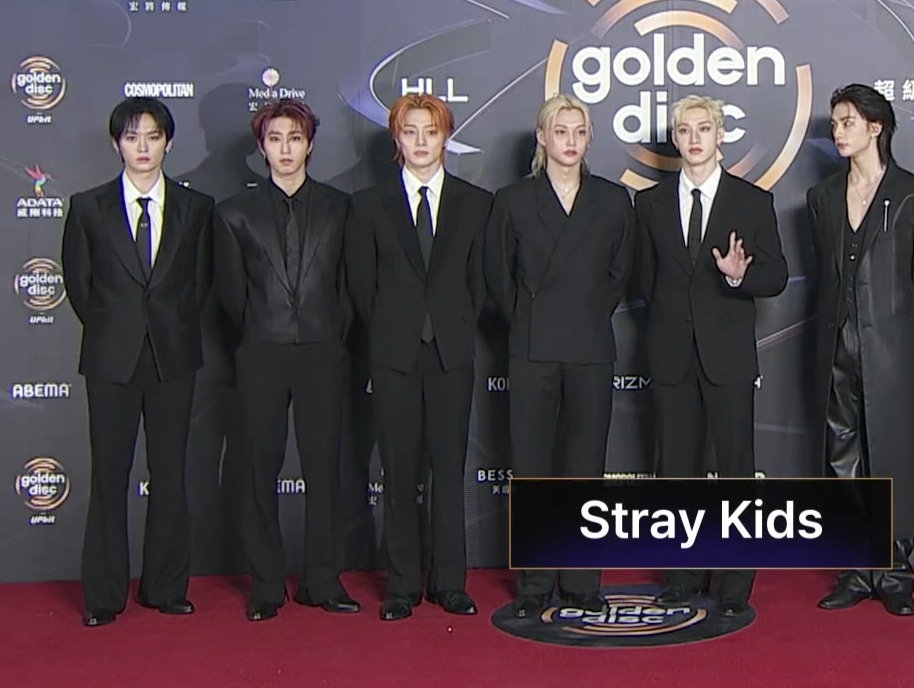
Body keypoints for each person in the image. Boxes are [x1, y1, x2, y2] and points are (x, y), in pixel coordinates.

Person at [61, 97, 215, 627]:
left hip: (174, 357)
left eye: (152, 137)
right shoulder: (88, 207)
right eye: (131, 138)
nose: (142, 147)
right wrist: (117, 331)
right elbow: (79, 285)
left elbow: (201, 284)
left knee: (170, 473)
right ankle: (104, 594)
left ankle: (166, 586)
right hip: (111, 359)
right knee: (109, 475)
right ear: (116, 145)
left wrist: (166, 329)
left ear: (168, 143)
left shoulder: (197, 208)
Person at [633, 94, 788, 617]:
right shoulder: (649, 203)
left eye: (704, 128)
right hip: (670, 354)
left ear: (721, 135)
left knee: (736, 469)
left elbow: (777, 275)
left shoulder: (752, 201)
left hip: (728, 356)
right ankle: (682, 575)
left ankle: (734, 580)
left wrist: (741, 277)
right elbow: (645, 279)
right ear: (675, 139)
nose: (694, 138)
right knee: (677, 470)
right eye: (684, 130)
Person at [483, 93, 634, 618]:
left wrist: (587, 313)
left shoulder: (613, 200)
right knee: (532, 468)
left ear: (589, 140)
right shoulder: (512, 200)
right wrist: (529, 320)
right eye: (561, 131)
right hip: (532, 348)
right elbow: (498, 277)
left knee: (585, 468)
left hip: (590, 346)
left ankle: (581, 580)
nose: (570, 141)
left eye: (579, 131)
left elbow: (621, 274)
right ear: (542, 138)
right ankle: (534, 583)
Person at [344, 94, 492, 621]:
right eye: (411, 131)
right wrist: (396, 332)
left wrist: (451, 326)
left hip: (451, 353)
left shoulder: (476, 203)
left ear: (446, 136)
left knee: (449, 471)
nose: (422, 141)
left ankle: (450, 583)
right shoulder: (368, 205)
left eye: (431, 131)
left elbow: (480, 283)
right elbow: (361, 286)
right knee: (399, 470)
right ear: (397, 139)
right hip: (394, 355)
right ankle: (402, 585)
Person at [212, 99, 360, 621]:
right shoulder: (233, 213)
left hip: (323, 352)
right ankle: (266, 585)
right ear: (261, 147)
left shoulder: (342, 208)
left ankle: (323, 580)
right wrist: (263, 332)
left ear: (310, 144)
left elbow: (349, 288)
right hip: (262, 352)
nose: (285, 149)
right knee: (259, 470)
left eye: (294, 138)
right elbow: (230, 295)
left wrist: (328, 333)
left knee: (325, 470)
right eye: (275, 139)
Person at [807, 84, 914, 617]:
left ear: (876, 127)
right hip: (832, 344)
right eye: (834, 123)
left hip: (889, 346)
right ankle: (853, 569)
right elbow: (824, 271)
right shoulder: (821, 198)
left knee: (892, 455)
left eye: (848, 122)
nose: (838, 132)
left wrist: (887, 324)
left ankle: (893, 572)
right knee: (840, 456)